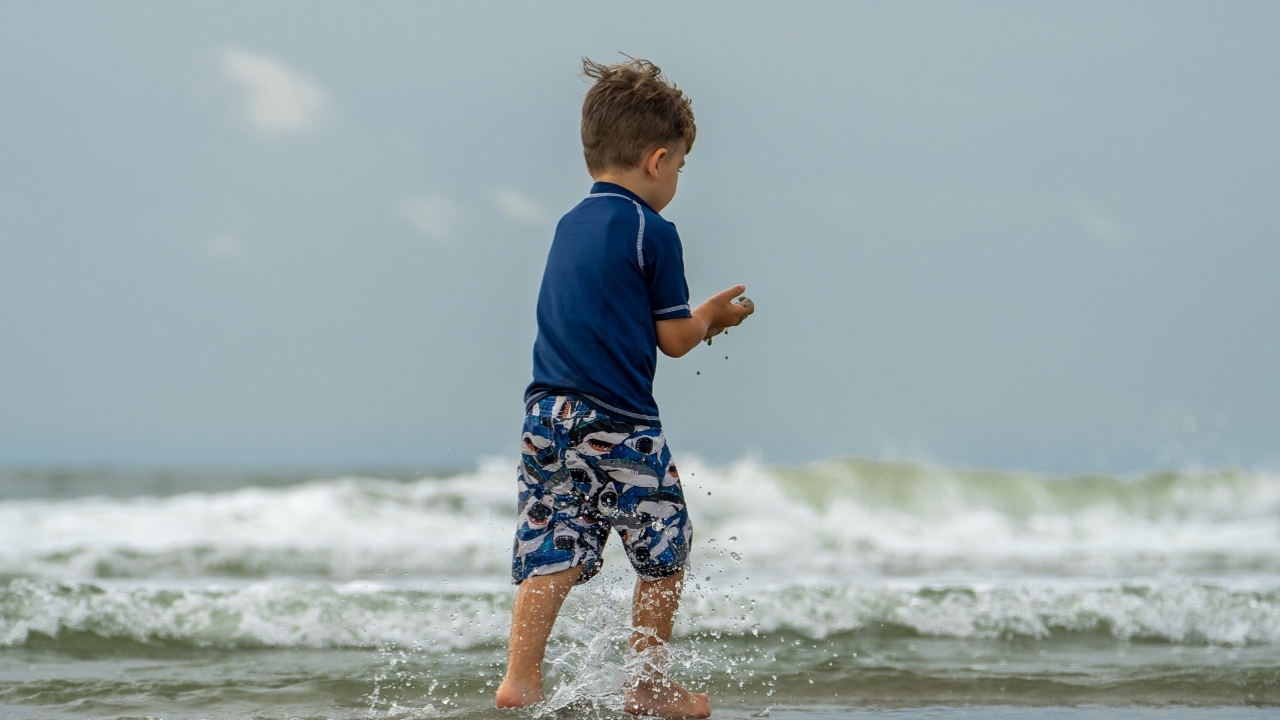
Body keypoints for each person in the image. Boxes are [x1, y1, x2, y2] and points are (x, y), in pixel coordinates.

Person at [494, 56, 753, 719]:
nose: (677, 183)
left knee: (552, 541)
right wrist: (713, 320)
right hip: (616, 416)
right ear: (657, 160)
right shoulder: (652, 231)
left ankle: (521, 678)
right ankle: (646, 684)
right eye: (682, 169)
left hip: (545, 409)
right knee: (665, 542)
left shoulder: (568, 224)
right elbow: (673, 338)